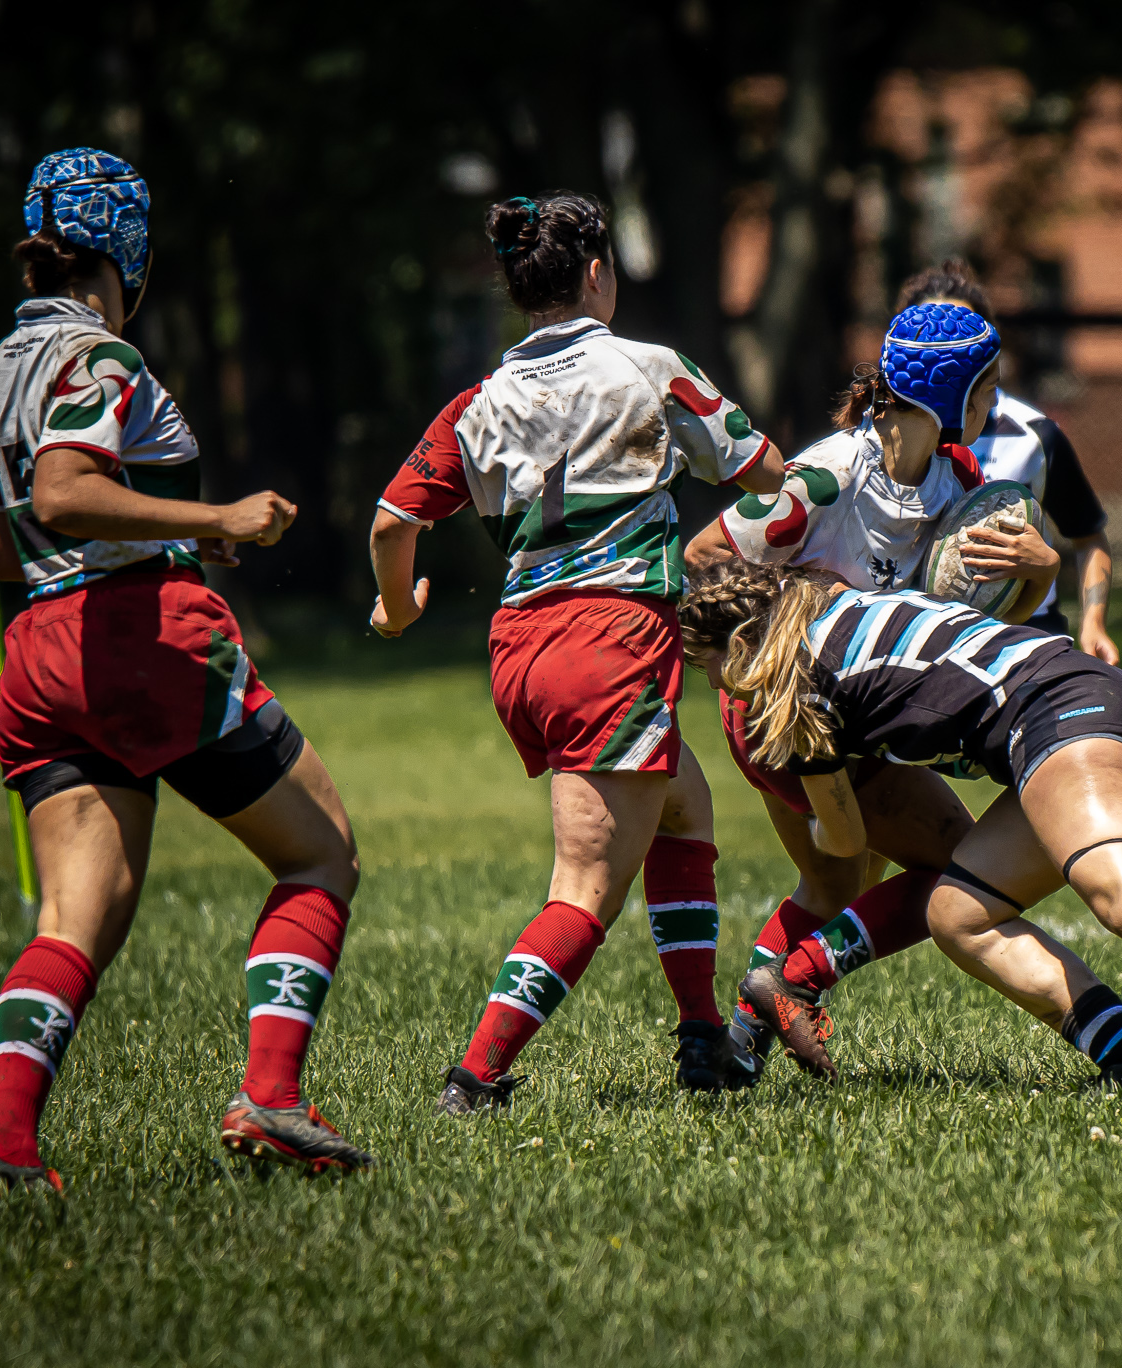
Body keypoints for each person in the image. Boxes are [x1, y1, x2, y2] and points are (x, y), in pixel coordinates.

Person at [0, 148, 370, 1193]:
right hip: (141, 642)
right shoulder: (103, 360)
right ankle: (271, 1099)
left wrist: (170, 541)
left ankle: (6, 1150)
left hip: (41, 655)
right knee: (319, 856)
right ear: (127, 257)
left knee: (77, 918)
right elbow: (62, 493)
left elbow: (2, 551)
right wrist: (213, 517)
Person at [367, 192, 786, 1110]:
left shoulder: (477, 402)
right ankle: (474, 1078)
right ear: (598, 271)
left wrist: (396, 614)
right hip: (612, 638)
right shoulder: (648, 368)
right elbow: (765, 471)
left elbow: (393, 524)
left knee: (684, 806)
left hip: (521, 646)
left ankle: (703, 1039)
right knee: (585, 887)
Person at [681, 561, 1122, 1096]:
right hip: (1072, 698)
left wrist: (819, 828)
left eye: (705, 665)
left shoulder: (800, 691)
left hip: (1057, 710)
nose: (712, 685)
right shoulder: (842, 604)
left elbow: (845, 846)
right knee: (959, 915)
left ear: (738, 646)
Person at [684, 300, 1057, 1082]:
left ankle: (736, 1051)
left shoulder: (957, 480)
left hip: (866, 710)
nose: (994, 407)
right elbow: (705, 552)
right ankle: (791, 984)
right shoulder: (826, 478)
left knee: (833, 878)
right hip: (788, 716)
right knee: (969, 867)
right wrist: (793, 620)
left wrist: (1038, 572)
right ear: (952, 392)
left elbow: (972, 610)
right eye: (987, 390)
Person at [896, 260, 1121, 662]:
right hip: (921, 637)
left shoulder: (1034, 434)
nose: (950, 344)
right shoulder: (880, 438)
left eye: (962, 327)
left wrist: (1094, 622)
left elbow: (1089, 537)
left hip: (1027, 632)